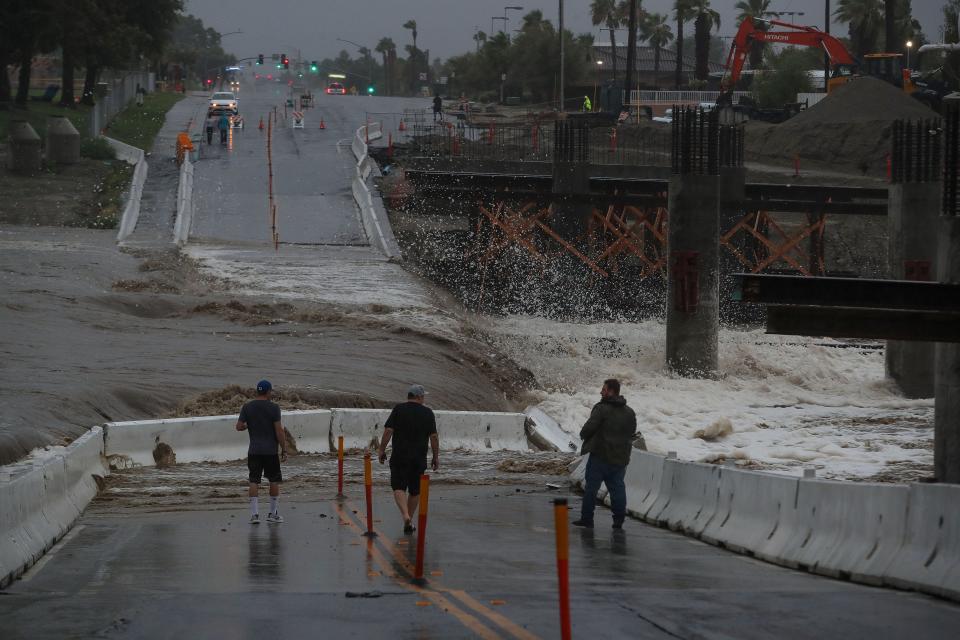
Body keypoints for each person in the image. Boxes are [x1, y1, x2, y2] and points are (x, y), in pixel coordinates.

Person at [574, 378, 637, 530]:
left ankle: (587, 519)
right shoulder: (630, 412)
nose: (601, 392)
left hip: (600, 456)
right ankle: (618, 521)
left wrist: (583, 434)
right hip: (620, 458)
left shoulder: (601, 408)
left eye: (603, 389)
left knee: (591, 489)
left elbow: (590, 427)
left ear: (610, 391)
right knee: (618, 490)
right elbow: (632, 432)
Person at [377, 384, 439, 533]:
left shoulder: (399, 409)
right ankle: (409, 520)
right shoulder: (428, 413)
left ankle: (405, 516)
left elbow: (388, 431)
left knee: (398, 487)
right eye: (423, 396)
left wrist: (381, 450)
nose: (424, 399)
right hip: (419, 458)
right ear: (418, 397)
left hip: (400, 456)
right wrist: (435, 457)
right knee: (415, 490)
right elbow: (434, 437)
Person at [236, 380, 287, 524]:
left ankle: (254, 515)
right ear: (268, 392)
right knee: (274, 480)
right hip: (270, 451)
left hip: (254, 450)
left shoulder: (247, 407)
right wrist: (284, 449)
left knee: (253, 481)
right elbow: (279, 431)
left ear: (257, 391)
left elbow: (239, 426)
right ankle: (272, 514)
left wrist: (247, 425)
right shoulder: (274, 408)